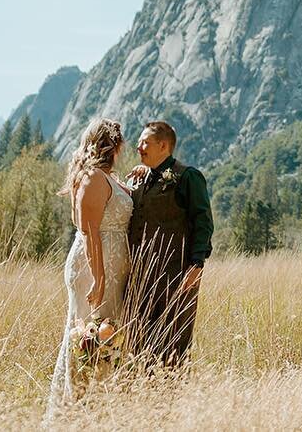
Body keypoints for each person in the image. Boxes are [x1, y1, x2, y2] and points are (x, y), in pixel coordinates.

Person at [48, 117, 132, 410]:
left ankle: (95, 404)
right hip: (94, 267)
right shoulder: (93, 177)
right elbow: (90, 231)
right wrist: (99, 278)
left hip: (107, 268)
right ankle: (78, 406)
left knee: (104, 335)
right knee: (88, 335)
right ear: (113, 145)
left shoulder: (104, 177)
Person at [125, 119, 213, 366]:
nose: (138, 146)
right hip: (140, 278)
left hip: (176, 275)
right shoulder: (140, 179)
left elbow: (203, 222)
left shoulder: (188, 177)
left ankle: (172, 398)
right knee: (138, 343)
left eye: (145, 142)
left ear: (163, 146)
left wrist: (197, 264)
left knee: (174, 344)